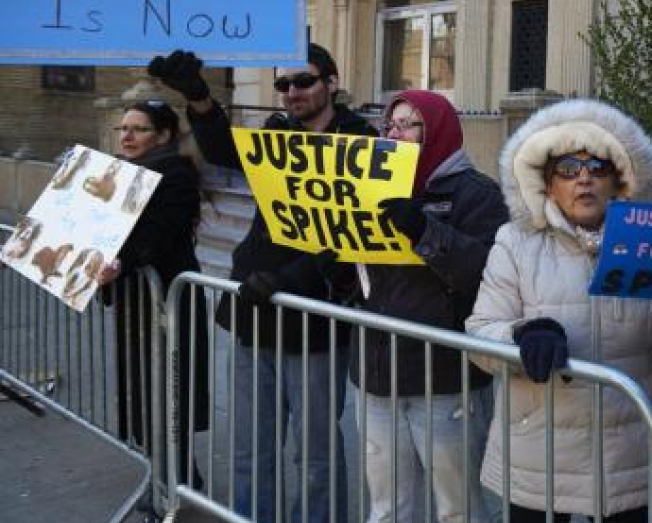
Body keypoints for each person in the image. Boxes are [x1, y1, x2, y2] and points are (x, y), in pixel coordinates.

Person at [150, 46, 374, 523]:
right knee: (252, 445)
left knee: (314, 453)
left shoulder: (361, 140)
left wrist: (295, 278)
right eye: (283, 84)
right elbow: (224, 150)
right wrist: (199, 98)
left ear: (332, 84)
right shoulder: (278, 133)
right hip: (253, 309)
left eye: (304, 81)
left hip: (316, 321)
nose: (292, 92)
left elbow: (357, 234)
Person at [466, 99, 652, 523]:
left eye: (597, 168)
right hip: (538, 453)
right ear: (547, 182)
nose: (584, 180)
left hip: (627, 452)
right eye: (568, 169)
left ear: (618, 179)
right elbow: (481, 336)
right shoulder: (514, 242)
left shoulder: (651, 243)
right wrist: (521, 337)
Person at [354, 90, 507, 523]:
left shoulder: (477, 194)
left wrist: (424, 229)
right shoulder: (373, 187)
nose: (396, 134)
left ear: (436, 129)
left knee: (456, 507)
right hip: (377, 371)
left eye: (409, 124)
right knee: (387, 506)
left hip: (444, 378)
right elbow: (361, 280)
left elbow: (485, 273)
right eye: (392, 126)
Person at [97, 100, 211, 493]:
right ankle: (161, 483)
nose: (127, 136)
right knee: (144, 398)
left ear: (163, 135)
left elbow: (156, 237)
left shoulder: (176, 175)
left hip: (169, 302)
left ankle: (182, 492)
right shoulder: (118, 173)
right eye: (123, 128)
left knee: (169, 399)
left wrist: (121, 262)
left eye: (139, 129)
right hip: (137, 302)